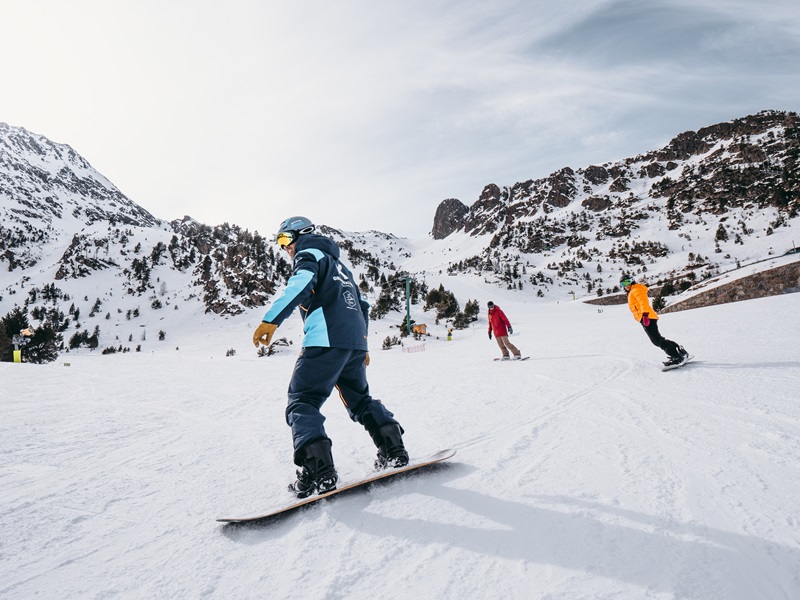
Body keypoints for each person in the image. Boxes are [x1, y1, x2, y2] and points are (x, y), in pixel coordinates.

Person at [253, 216, 409, 498]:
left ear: (301, 235)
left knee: (303, 401)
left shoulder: (308, 253)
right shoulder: (341, 266)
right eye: (280, 243)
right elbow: (362, 305)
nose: (284, 248)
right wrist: (362, 346)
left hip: (324, 340)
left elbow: (300, 284)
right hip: (353, 343)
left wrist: (271, 320)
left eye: (285, 240)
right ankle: (393, 448)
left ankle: (319, 471)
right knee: (360, 400)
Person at [620, 273, 689, 368]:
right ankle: (679, 352)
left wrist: (644, 315)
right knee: (659, 339)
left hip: (646, 317)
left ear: (632, 280)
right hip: (646, 317)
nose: (626, 285)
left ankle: (676, 356)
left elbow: (643, 302)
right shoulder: (633, 290)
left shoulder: (636, 289)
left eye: (627, 282)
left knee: (656, 340)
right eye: (623, 284)